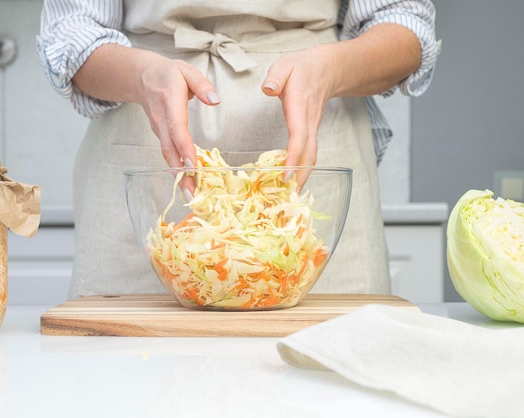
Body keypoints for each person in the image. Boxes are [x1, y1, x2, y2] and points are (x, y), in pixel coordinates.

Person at [37, 0, 441, 299]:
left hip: (317, 123)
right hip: (146, 133)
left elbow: (403, 24)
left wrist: (328, 70)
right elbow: (70, 31)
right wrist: (144, 76)